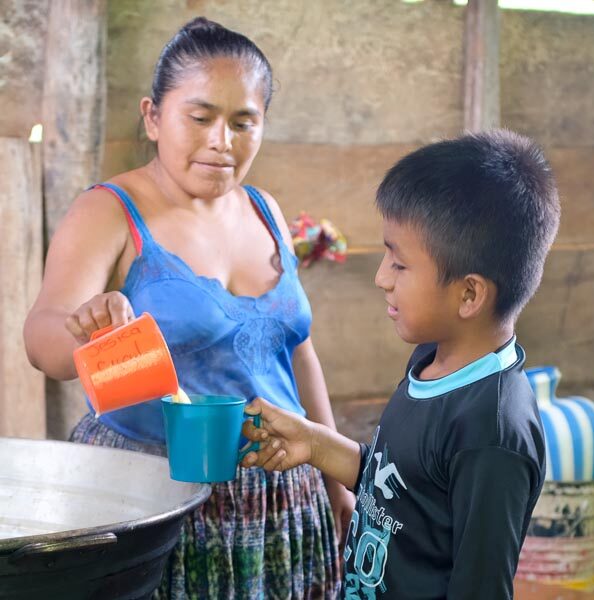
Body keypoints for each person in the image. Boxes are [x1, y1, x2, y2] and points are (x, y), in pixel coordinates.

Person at [23, 16, 354, 599]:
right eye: (200, 118)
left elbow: (298, 353)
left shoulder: (265, 209)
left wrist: (337, 484)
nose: (221, 141)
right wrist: (88, 333)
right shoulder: (110, 212)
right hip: (152, 497)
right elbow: (42, 340)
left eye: (243, 122)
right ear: (153, 117)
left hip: (279, 499)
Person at [241, 130, 560, 599]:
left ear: (469, 294)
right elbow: (404, 493)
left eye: (399, 263)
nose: (380, 278)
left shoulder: (492, 433)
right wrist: (314, 443)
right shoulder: (432, 359)